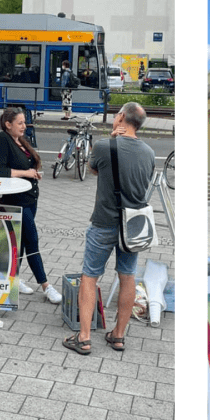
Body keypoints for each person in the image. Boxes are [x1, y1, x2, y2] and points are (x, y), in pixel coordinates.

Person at [62, 102, 155, 355]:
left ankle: (83, 338)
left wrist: (110, 141)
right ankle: (118, 336)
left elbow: (93, 169)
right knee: (127, 276)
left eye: (116, 114)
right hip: (133, 227)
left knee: (90, 276)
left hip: (104, 222)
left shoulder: (105, 146)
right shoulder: (148, 152)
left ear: (122, 117)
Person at [0, 108, 62, 304]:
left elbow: (27, 165)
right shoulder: (2, 140)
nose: (24, 126)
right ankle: (46, 286)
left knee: (20, 242)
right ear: (8, 124)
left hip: (30, 198)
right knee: (32, 241)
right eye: (20, 123)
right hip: (15, 200)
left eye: (24, 122)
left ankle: (13, 278)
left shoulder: (20, 141)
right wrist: (26, 174)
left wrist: (33, 172)